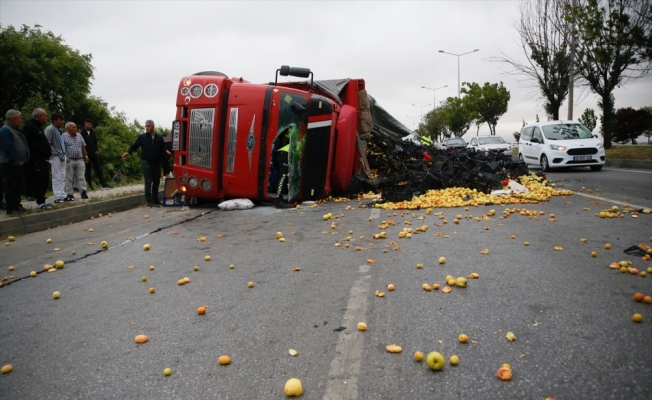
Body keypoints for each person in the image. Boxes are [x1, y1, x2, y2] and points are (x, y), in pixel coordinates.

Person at [122, 120, 165, 207]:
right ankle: (149, 201)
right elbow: (134, 146)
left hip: (156, 163)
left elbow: (162, 150)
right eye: (146, 126)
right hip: (146, 162)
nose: (147, 128)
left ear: (153, 127)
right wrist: (128, 152)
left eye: (149, 126)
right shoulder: (142, 137)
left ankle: (155, 199)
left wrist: (165, 159)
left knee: (156, 181)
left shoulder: (159, 138)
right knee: (148, 181)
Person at [0, 109, 30, 215]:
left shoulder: (16, 130)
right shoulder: (6, 130)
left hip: (18, 163)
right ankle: (10, 207)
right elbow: (7, 148)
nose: (21, 120)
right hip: (10, 164)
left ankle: (17, 205)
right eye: (19, 118)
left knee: (18, 185)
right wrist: (13, 160)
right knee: (11, 185)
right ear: (13, 119)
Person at [22, 108, 52, 209]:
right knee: (39, 180)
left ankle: (41, 199)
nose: (46, 118)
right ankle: (40, 202)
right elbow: (27, 143)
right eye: (45, 115)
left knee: (44, 179)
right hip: (35, 160)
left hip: (43, 159)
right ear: (39, 116)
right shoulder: (30, 127)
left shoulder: (38, 127)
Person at [80, 118, 110, 190]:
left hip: (93, 153)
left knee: (98, 169)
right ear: (85, 124)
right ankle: (90, 184)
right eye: (88, 124)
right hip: (87, 154)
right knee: (88, 170)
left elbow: (95, 142)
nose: (90, 125)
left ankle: (103, 183)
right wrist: (85, 153)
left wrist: (96, 149)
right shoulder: (82, 133)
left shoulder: (92, 133)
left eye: (91, 124)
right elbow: (81, 144)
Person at [62, 121, 89, 201]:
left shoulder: (79, 135)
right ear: (68, 128)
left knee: (81, 176)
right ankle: (69, 194)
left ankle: (83, 192)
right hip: (69, 160)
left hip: (79, 159)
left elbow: (83, 146)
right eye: (73, 127)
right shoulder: (63, 136)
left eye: (75, 127)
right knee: (69, 177)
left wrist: (86, 156)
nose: (75, 128)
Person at [44, 113, 67, 203]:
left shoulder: (59, 130)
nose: (62, 122)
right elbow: (47, 143)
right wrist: (52, 153)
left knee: (62, 176)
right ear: (55, 120)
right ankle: (57, 196)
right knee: (56, 176)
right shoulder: (50, 129)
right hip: (55, 156)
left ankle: (62, 193)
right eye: (60, 120)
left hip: (62, 155)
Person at [273, 128, 294, 209]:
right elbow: (284, 140)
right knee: (283, 176)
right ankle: (279, 200)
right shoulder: (295, 130)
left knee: (284, 176)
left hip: (283, 154)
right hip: (284, 154)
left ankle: (280, 198)